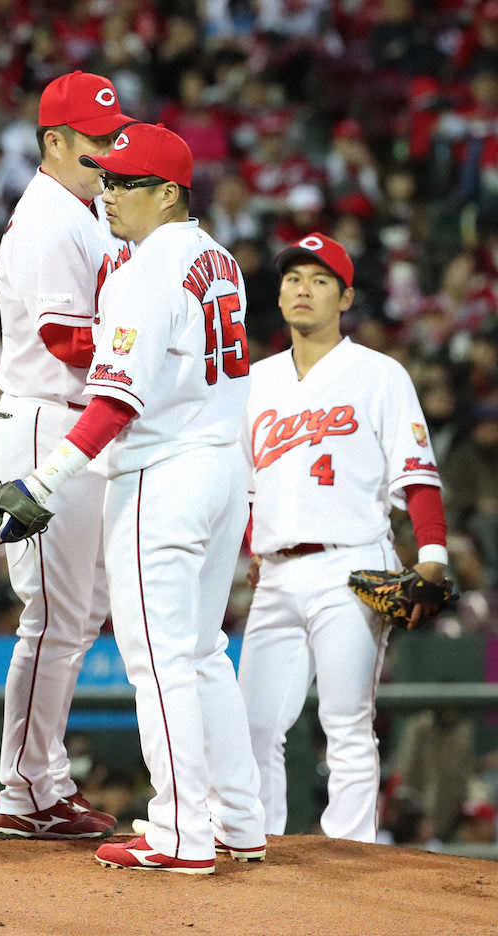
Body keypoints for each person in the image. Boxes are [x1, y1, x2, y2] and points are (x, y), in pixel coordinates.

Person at [0, 122, 266, 871]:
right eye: (107, 180)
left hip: (163, 475)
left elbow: (116, 403)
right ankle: (239, 821)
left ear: (168, 192)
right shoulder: (219, 259)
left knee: (158, 659)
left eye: (124, 183)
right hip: (221, 469)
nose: (108, 193)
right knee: (205, 649)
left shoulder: (146, 273)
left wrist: (43, 478)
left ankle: (181, 832)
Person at [237, 232, 449, 843]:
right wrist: (254, 546)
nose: (302, 289)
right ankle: (259, 843)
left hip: (350, 564)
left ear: (346, 296)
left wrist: (431, 556)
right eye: (294, 279)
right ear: (278, 294)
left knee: (346, 721)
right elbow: (251, 485)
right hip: (275, 573)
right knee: (253, 725)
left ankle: (352, 856)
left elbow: (418, 473)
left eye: (320, 280)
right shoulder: (256, 380)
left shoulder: (379, 375)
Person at [0, 70, 134, 840]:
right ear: (55, 141)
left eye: (114, 137)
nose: (109, 151)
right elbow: (64, 337)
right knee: (53, 617)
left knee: (78, 617)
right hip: (44, 425)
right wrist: (146, 355)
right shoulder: (46, 219)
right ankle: (22, 790)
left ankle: (42, 781)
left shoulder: (92, 213)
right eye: (97, 140)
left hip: (79, 426)